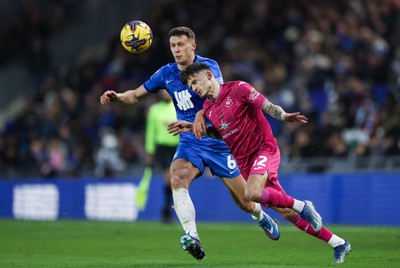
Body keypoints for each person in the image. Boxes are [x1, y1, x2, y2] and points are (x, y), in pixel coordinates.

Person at [100, 26, 280, 262]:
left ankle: (260, 217)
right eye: (173, 45)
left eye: (181, 44)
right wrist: (118, 97)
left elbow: (220, 98)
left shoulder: (209, 67)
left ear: (193, 45)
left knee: (246, 202)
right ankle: (192, 237)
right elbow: (136, 94)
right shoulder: (166, 73)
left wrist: (200, 116)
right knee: (177, 177)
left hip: (218, 141)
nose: (176, 49)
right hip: (189, 142)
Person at [169, 62, 352, 264]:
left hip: (264, 150)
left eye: (195, 81)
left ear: (209, 75)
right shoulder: (207, 108)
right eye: (190, 85)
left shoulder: (239, 88)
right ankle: (338, 243)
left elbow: (267, 105)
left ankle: (303, 205)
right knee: (286, 213)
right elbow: (222, 134)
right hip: (245, 163)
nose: (193, 87)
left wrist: (283, 115)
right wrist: (194, 127)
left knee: (251, 193)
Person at [145, 90, 179, 223]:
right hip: (163, 147)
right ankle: (167, 208)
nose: (165, 93)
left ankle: (169, 208)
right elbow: (150, 131)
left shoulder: (179, 106)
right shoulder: (155, 109)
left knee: (176, 178)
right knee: (169, 177)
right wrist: (150, 151)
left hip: (178, 146)